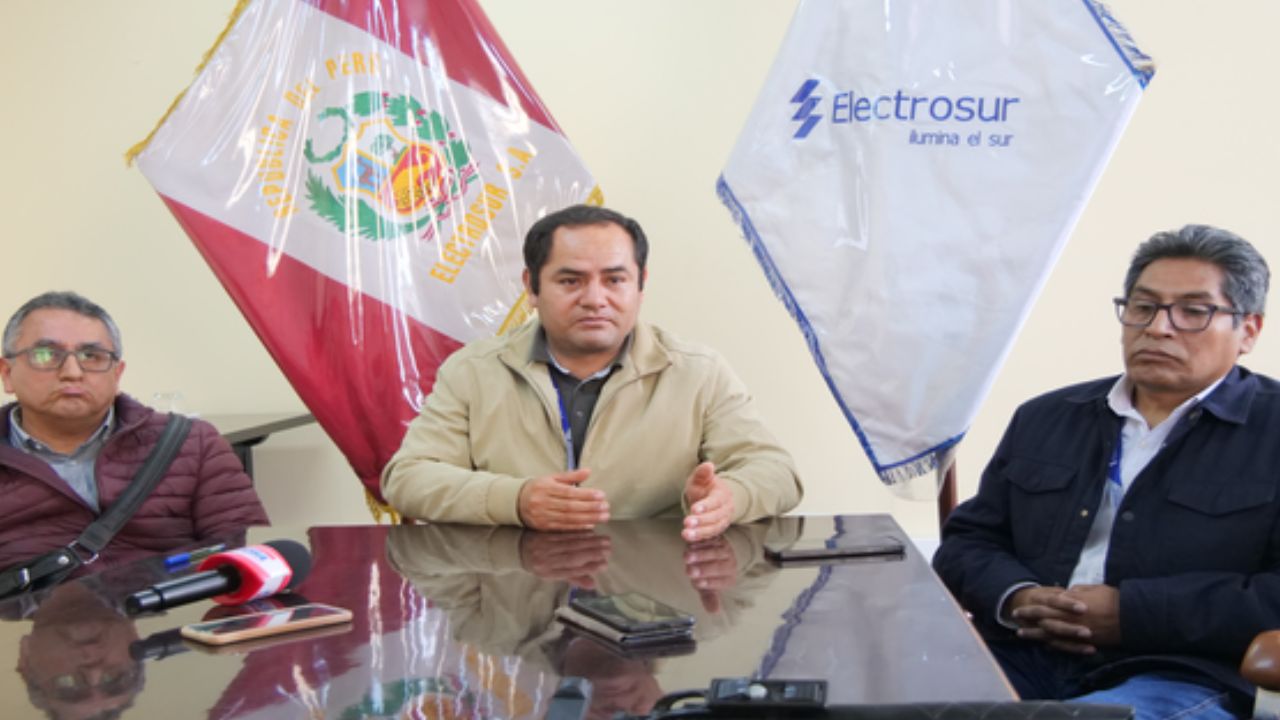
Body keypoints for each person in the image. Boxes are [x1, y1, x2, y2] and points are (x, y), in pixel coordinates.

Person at [933, 225, 1278, 718]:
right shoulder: (1046, 417)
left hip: (1179, 672)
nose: (1159, 328)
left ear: (1249, 331)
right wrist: (1018, 597)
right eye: (1144, 307)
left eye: (1193, 312)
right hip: (1021, 655)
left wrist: (1131, 614)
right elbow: (969, 541)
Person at [382, 204, 801, 541]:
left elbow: (776, 471)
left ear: (640, 284)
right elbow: (408, 478)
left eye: (615, 280)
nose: (595, 299)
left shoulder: (697, 372)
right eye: (571, 281)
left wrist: (729, 498)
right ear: (532, 287)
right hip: (514, 594)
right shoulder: (473, 371)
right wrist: (515, 500)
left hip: (650, 597)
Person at [0, 291, 269, 572]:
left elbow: (237, 560)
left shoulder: (193, 444)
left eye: (91, 356)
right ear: (7, 373)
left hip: (171, 599)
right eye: (46, 355)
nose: (72, 372)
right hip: (34, 602)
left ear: (117, 374)